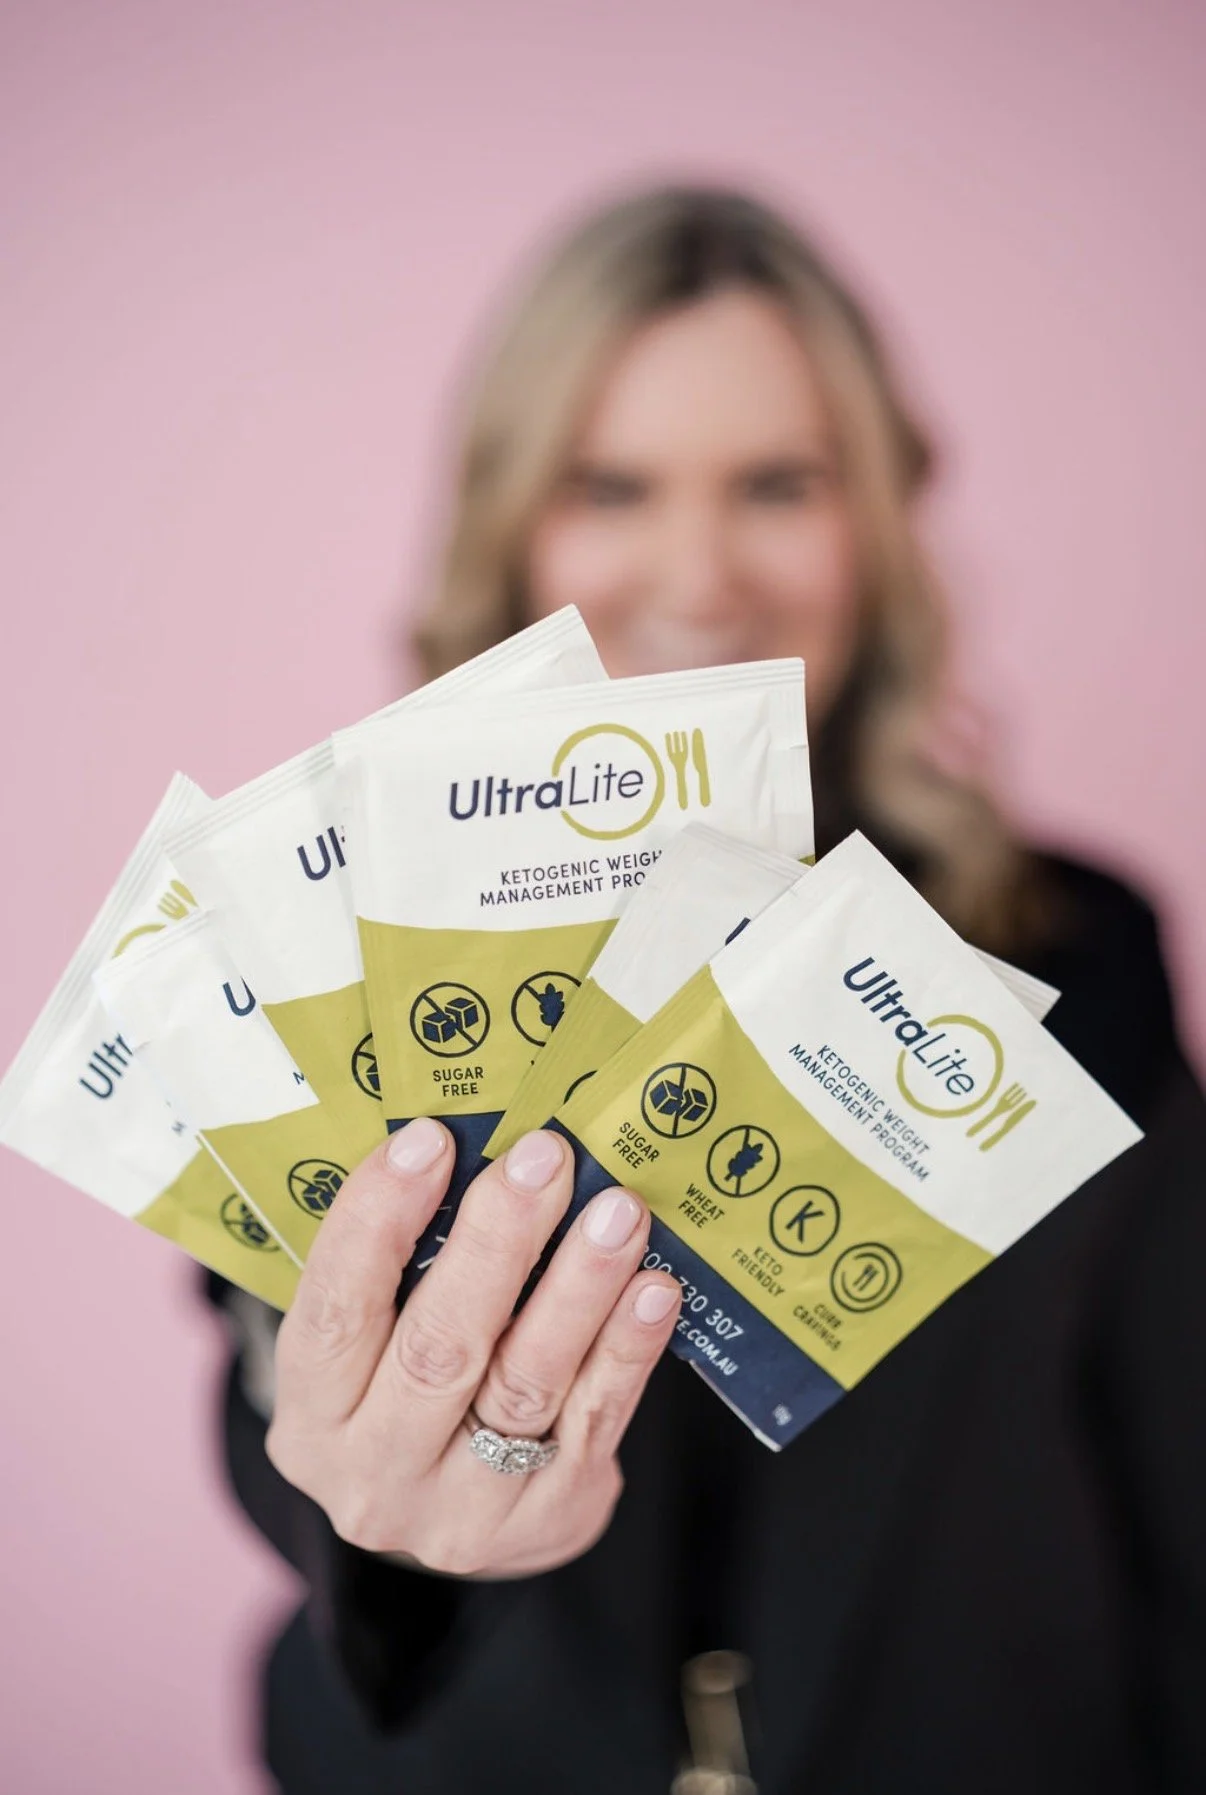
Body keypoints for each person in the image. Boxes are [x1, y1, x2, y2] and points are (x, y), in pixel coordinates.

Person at [211, 187, 1205, 1794]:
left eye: (775, 484)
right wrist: (377, 1504)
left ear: (869, 520)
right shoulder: (355, 946)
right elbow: (265, 1384)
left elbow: (1176, 1476)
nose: (698, 566)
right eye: (611, 485)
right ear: (513, 518)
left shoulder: (1071, 950)